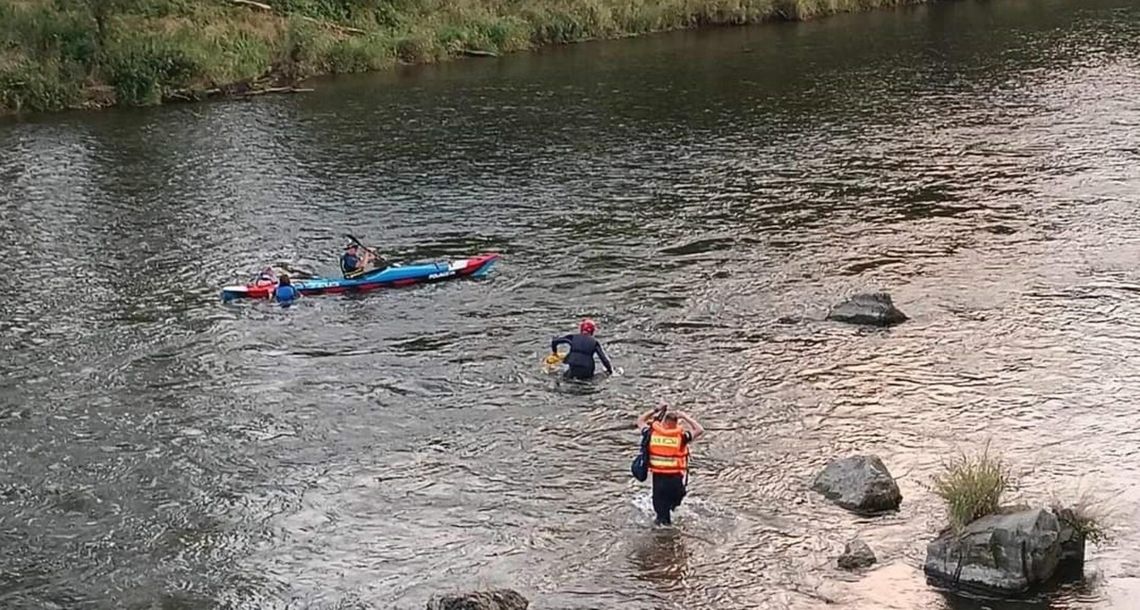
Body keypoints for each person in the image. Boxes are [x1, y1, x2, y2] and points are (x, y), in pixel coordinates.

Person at [636, 406, 704, 526]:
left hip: (658, 480)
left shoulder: (652, 434)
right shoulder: (681, 438)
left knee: (662, 518)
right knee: (675, 505)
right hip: (675, 481)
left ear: (664, 423)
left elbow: (640, 421)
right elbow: (699, 429)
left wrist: (655, 409)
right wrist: (685, 416)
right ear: (676, 423)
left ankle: (661, 539)